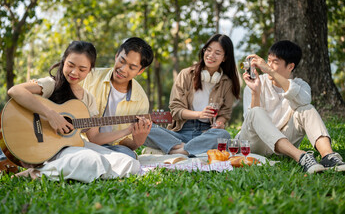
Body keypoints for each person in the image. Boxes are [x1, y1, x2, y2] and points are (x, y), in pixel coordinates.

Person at [0, 37, 154, 173]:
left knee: (126, 157)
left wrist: (129, 130)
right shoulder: (53, 83)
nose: (75, 72)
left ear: (89, 71)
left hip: (68, 144)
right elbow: (15, 91)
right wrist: (52, 115)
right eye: (71, 66)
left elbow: (95, 138)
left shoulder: (88, 99)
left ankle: (37, 168)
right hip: (39, 132)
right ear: (64, 61)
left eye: (82, 69)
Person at [238, 40, 345, 174]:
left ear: (290, 66)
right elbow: (251, 121)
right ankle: (301, 157)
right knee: (255, 112)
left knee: (307, 108)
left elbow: (304, 100)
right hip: (254, 144)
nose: (268, 66)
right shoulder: (256, 82)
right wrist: (255, 91)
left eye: (274, 62)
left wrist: (270, 72)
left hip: (283, 147)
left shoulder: (300, 85)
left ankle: (329, 157)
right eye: (268, 61)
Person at [143, 34, 241, 156]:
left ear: (225, 57)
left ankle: (180, 150)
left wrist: (219, 123)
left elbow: (224, 114)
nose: (211, 55)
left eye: (217, 52)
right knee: (145, 128)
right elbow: (175, 110)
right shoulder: (186, 74)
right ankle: (190, 148)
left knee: (223, 135)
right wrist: (199, 114)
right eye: (208, 50)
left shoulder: (227, 83)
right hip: (181, 131)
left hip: (206, 133)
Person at [80, 37, 154, 158]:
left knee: (128, 155)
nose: (123, 69)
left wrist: (137, 141)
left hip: (109, 148)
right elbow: (57, 87)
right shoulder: (90, 76)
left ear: (140, 71)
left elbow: (125, 143)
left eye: (132, 67)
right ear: (116, 56)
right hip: (78, 141)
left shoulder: (141, 100)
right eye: (122, 61)